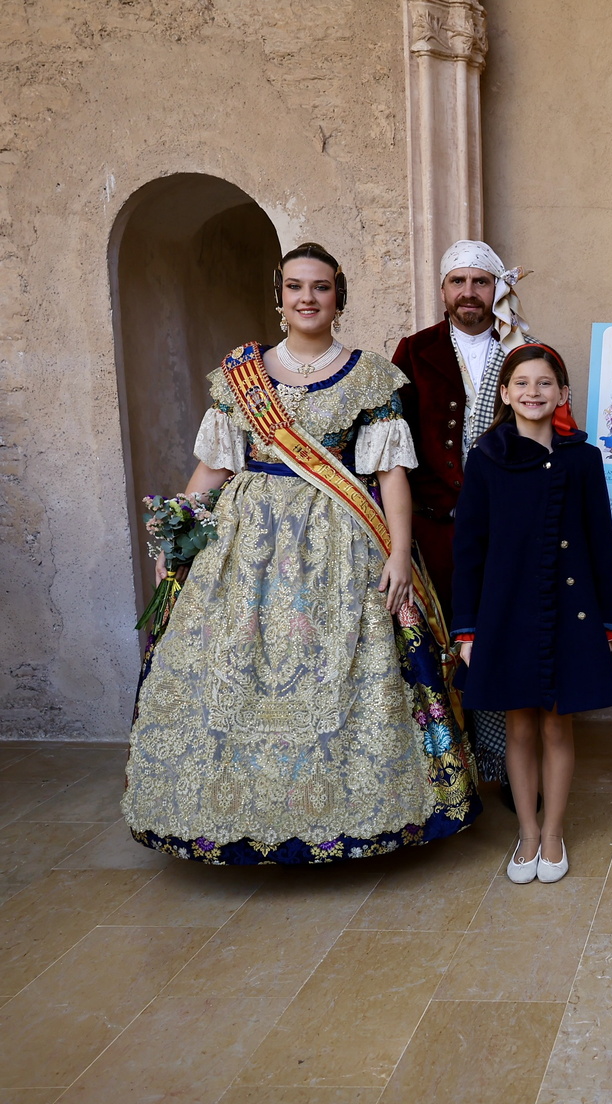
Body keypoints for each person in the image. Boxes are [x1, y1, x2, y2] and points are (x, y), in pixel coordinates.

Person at [123, 242, 477, 863]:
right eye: (295, 286)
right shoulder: (242, 375)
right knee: (231, 670)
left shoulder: (371, 376)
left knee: (347, 673)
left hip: (343, 540)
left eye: (320, 287)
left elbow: (390, 474)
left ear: (339, 297)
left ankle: (352, 816)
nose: (307, 298)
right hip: (246, 546)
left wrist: (399, 553)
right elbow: (214, 467)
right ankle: (232, 814)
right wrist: (176, 537)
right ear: (279, 296)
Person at [452, 344, 612, 884]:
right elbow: (469, 550)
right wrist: (467, 630)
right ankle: (526, 832)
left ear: (563, 393)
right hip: (506, 612)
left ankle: (553, 833)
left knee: (556, 724)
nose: (534, 392)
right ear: (505, 394)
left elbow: (600, 542)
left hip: (572, 612)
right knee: (519, 726)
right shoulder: (485, 459)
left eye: (545, 383)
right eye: (522, 383)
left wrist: (607, 620)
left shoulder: (583, 459)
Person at [392, 239, 533, 792]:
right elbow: (393, 445)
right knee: (438, 644)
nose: (469, 292)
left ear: (497, 288)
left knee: (500, 641)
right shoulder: (414, 351)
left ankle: (503, 766)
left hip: (503, 528)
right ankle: (448, 772)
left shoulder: (521, 349)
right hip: (434, 529)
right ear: (443, 289)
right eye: (458, 281)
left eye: (481, 281)